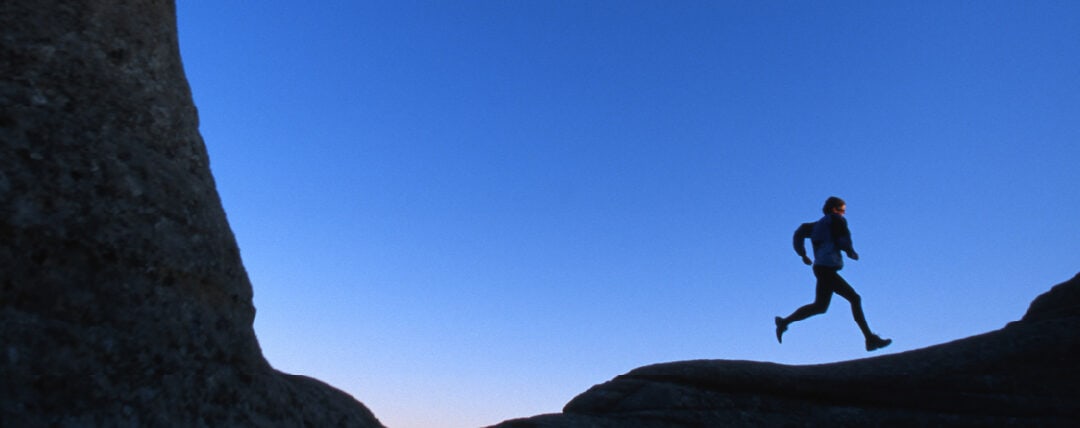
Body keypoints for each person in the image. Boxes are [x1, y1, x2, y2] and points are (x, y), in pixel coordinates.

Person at [775, 196, 892, 352]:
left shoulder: (816, 225)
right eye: (842, 210)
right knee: (854, 298)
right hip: (826, 268)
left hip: (821, 268)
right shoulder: (835, 219)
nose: (843, 214)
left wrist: (802, 254)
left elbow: (799, 232)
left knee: (820, 306)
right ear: (834, 209)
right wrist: (849, 250)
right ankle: (870, 339)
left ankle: (784, 322)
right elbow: (842, 237)